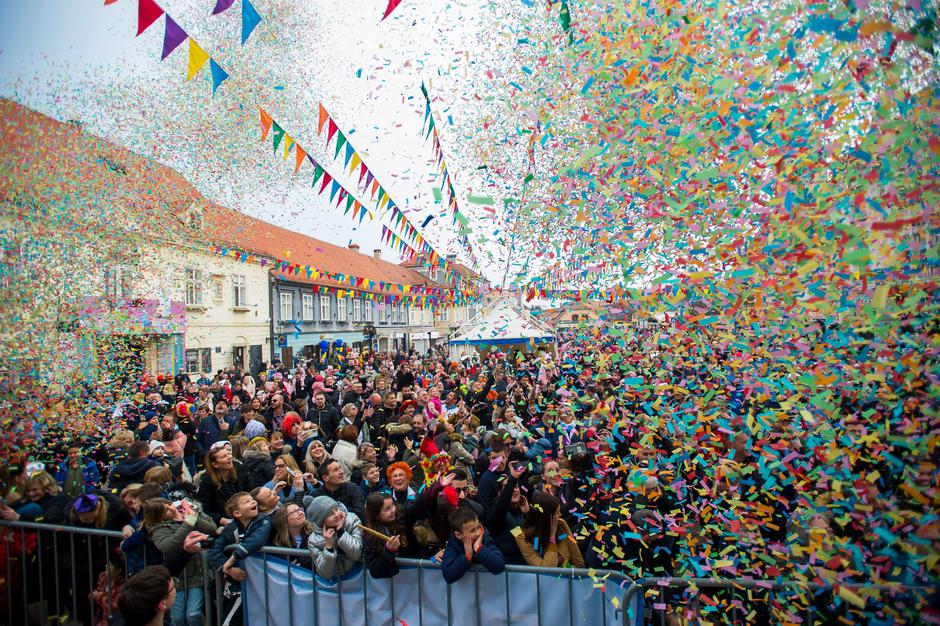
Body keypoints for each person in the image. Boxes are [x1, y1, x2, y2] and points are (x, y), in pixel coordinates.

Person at [150, 499, 217, 626]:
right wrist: (188, 523)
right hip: (178, 578)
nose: (171, 508)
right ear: (159, 516)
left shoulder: (188, 510)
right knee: (177, 618)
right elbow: (167, 546)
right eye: (165, 510)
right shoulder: (159, 528)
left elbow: (213, 529)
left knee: (193, 615)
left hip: (197, 574)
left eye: (169, 505)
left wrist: (194, 516)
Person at [513, 492, 584, 568]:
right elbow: (546, 569)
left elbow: (579, 563)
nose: (560, 515)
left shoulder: (561, 524)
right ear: (546, 518)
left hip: (569, 577)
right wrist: (552, 538)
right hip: (545, 579)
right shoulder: (521, 537)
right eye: (557, 513)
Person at [441, 505, 505, 584]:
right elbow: (448, 575)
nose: (477, 533)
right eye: (472, 531)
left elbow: (499, 566)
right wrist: (467, 556)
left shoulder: (484, 538)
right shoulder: (453, 544)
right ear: (458, 535)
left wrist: (480, 549)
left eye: (478, 527)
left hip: (489, 589)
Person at [306, 495, 364, 580]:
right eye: (330, 514)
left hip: (359, 575)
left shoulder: (352, 520)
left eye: (336, 509)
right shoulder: (313, 540)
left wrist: (341, 532)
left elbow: (357, 554)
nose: (337, 514)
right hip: (335, 583)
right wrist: (329, 546)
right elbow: (324, 573)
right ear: (321, 521)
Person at [195, 444, 248, 524]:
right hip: (224, 521)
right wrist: (221, 520)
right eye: (224, 456)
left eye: (228, 454)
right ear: (215, 464)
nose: (230, 457)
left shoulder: (239, 471)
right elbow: (205, 510)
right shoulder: (206, 483)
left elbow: (249, 491)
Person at [363, 493, 408, 578]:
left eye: (392, 505)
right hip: (392, 582)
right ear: (376, 515)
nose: (393, 510)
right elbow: (375, 571)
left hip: (412, 573)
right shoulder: (370, 536)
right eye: (387, 509)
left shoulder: (401, 517)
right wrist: (389, 551)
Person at [268, 503, 313, 568]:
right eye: (294, 512)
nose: (300, 513)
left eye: (300, 509)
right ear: (284, 520)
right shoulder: (278, 542)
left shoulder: (313, 533)